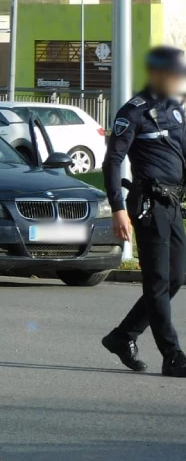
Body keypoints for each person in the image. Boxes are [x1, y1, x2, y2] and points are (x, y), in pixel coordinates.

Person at [102, 45, 186, 378]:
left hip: (172, 203)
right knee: (157, 281)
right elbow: (112, 161)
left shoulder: (175, 109)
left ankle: (122, 336)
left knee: (178, 276)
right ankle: (173, 355)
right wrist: (117, 209)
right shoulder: (133, 112)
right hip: (148, 203)